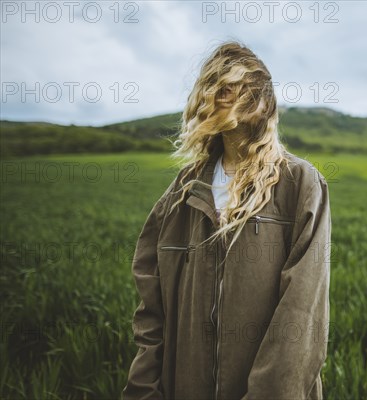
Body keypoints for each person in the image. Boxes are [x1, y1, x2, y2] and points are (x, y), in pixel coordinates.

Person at [122, 40, 332, 400]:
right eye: (220, 83)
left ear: (265, 102)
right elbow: (150, 310)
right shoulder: (181, 193)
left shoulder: (300, 184)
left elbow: (301, 316)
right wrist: (143, 391)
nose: (228, 92)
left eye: (241, 85)